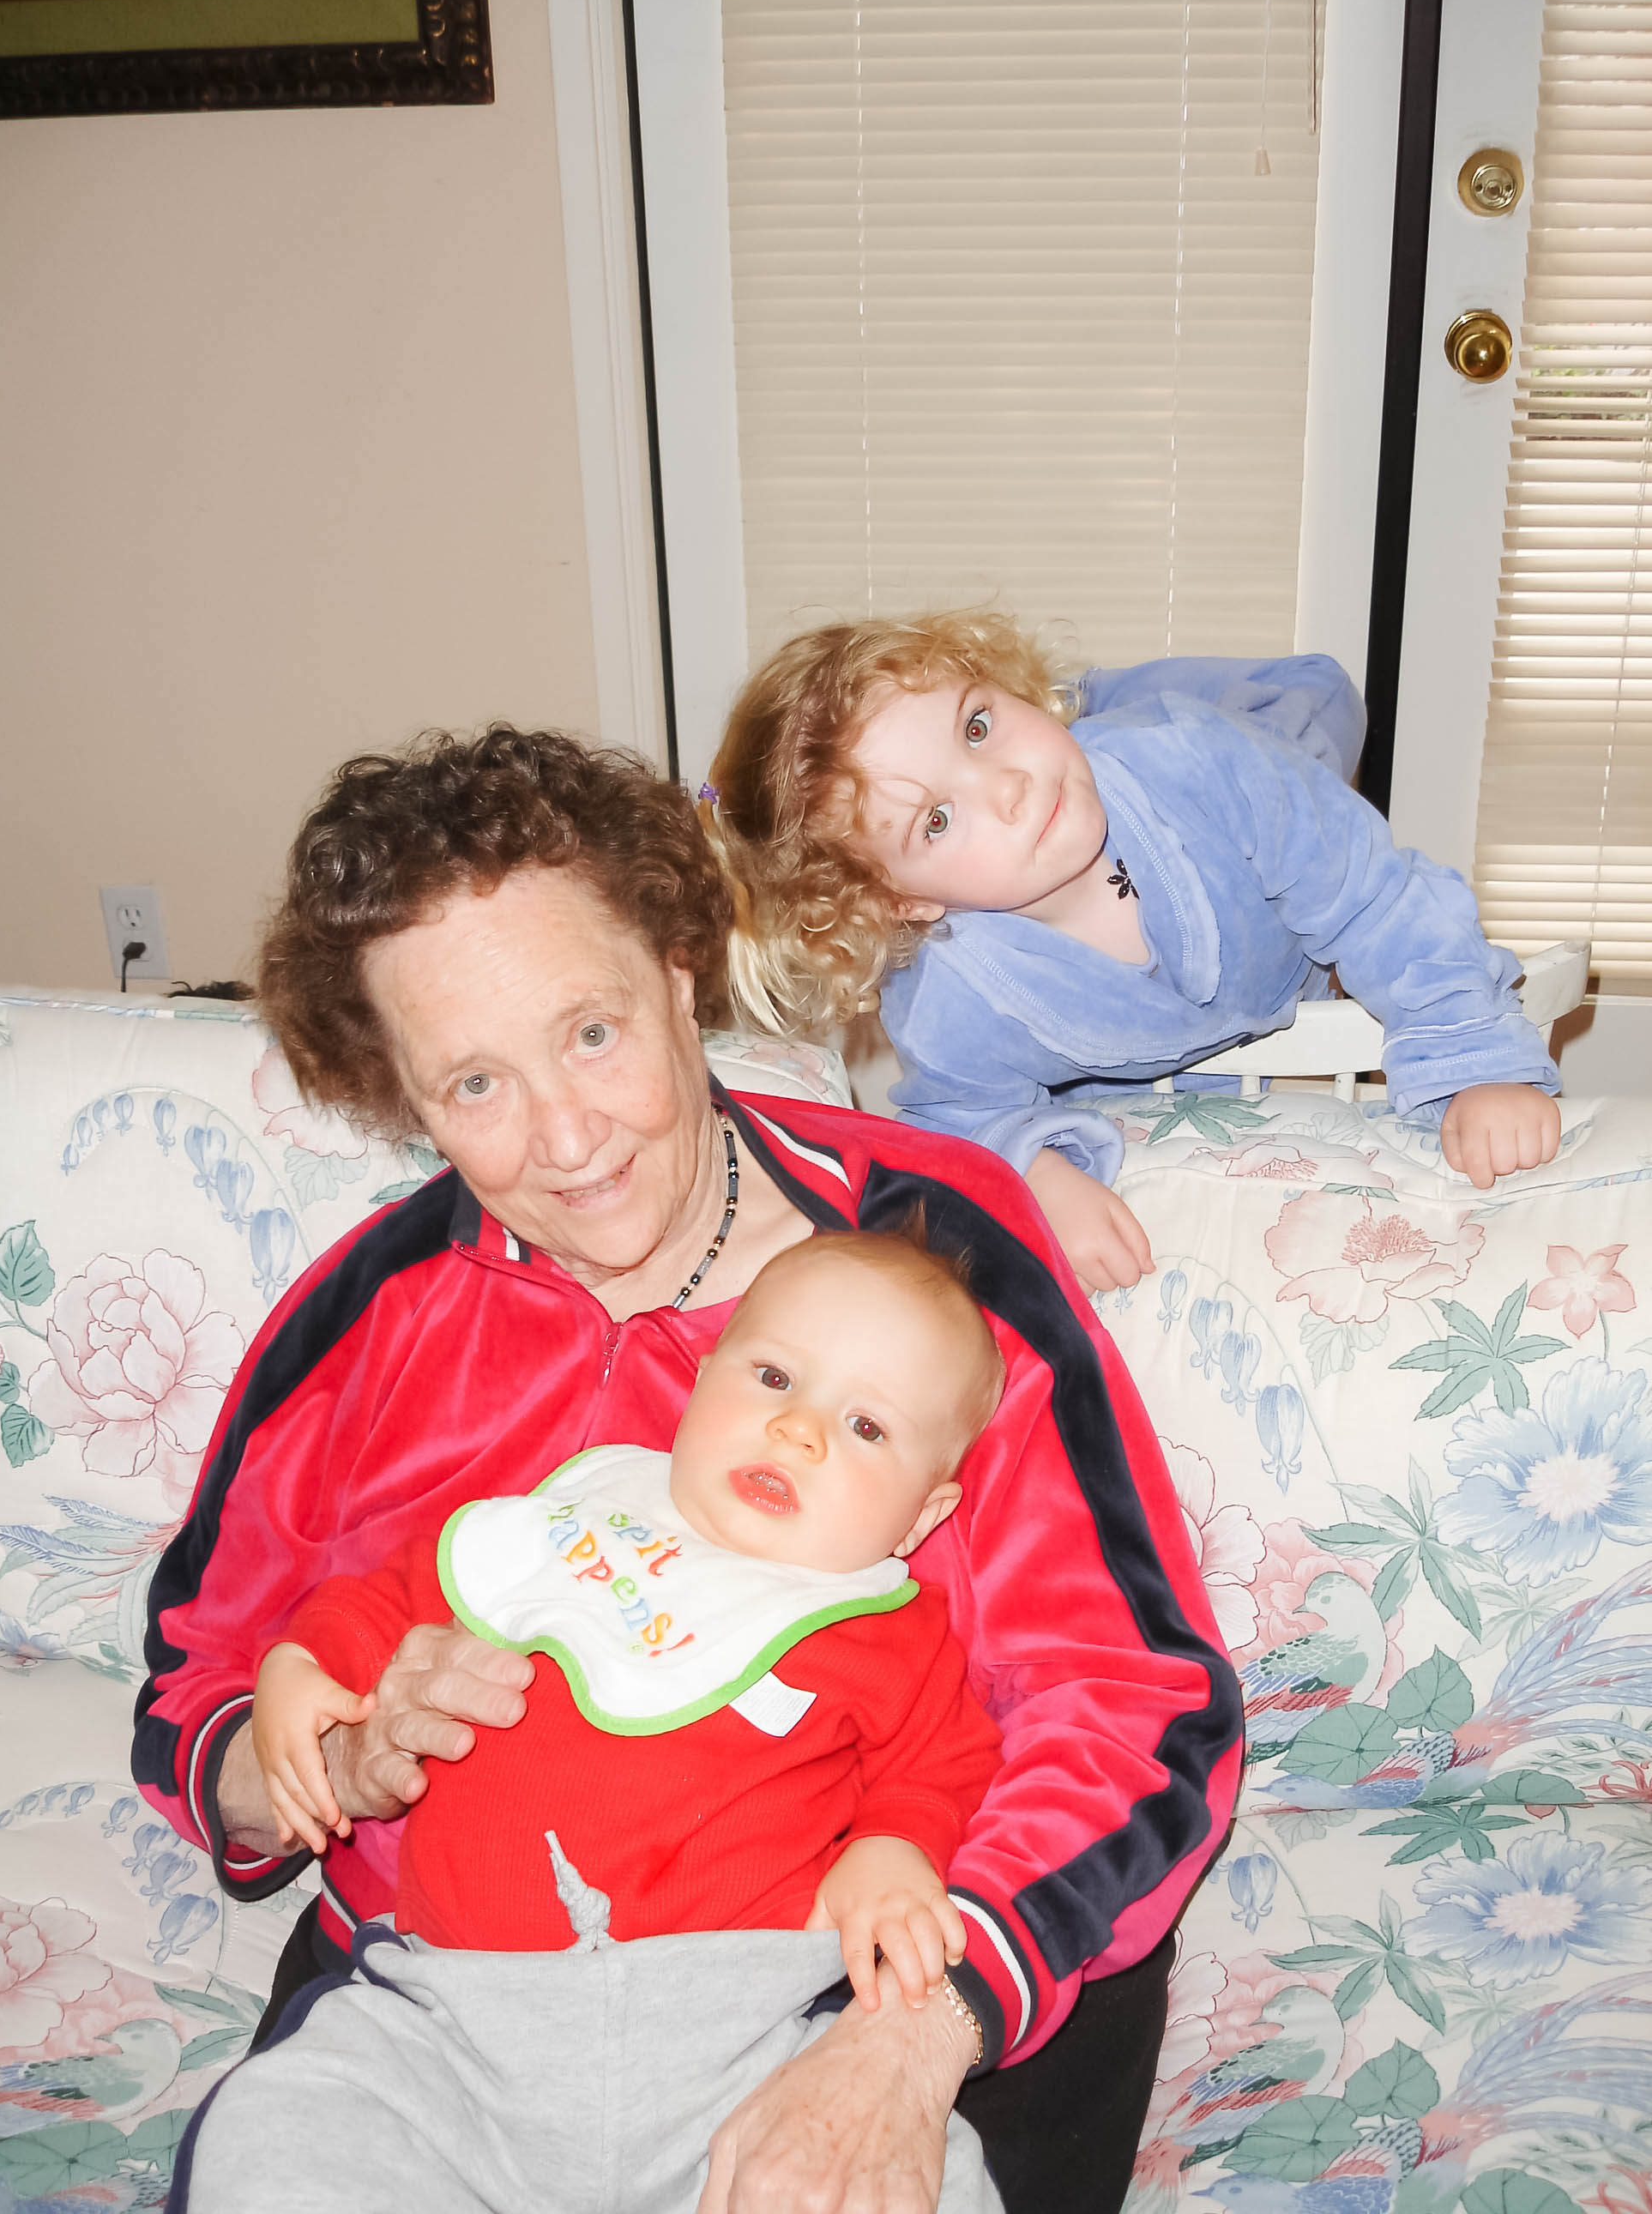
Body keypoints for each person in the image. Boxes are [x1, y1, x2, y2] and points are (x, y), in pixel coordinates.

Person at [132, 725, 1242, 2214]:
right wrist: (322, 1770)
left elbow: (1135, 1703)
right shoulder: (369, 1317)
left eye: (590, 1033)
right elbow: (198, 1674)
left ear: (674, 969)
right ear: (406, 1093)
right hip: (438, 1999)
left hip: (882, 1964)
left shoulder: (934, 1255)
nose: (565, 1136)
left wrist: (912, 2032)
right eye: (474, 1082)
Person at [174, 1230, 1010, 2213]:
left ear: (922, 1517)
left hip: (739, 2053)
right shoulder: (568, 1520)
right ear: (702, 1382)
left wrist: (894, 1846)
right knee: (276, 2125)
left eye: (866, 1427)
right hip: (451, 2032)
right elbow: (392, 1597)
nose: (799, 1430)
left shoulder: (889, 1633)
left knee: (923, 2179)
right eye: (774, 1377)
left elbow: (941, 1760)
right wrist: (303, 1666)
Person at [702, 613, 1564, 1297]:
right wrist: (1039, 1173)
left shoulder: (1200, 763)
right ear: (904, 903)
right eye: (936, 820)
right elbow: (956, 1116)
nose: (1008, 784)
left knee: (1314, 723)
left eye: (977, 725)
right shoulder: (952, 991)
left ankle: (1101, 695)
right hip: (1200, 1010)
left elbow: (1380, 895)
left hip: (1250, 780)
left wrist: (1476, 1059)